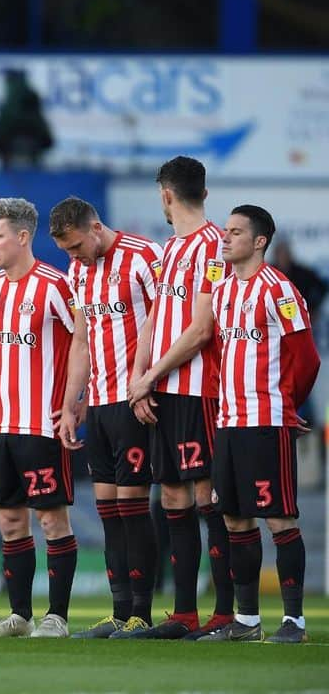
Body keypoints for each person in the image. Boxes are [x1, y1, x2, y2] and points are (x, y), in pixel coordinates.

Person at [127, 157, 235, 639]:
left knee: (207, 496)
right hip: (162, 391)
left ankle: (228, 612)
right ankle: (185, 612)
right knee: (170, 495)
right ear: (203, 193)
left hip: (198, 391)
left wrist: (151, 375)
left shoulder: (214, 246)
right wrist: (139, 380)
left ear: (166, 195)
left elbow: (202, 328)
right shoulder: (168, 250)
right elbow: (152, 319)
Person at [201, 205, 320, 644]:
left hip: (267, 422)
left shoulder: (279, 291)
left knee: (280, 520)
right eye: (225, 231)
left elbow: (306, 357)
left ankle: (294, 622)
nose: (225, 238)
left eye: (235, 232)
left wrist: (288, 404)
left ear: (259, 242)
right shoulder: (224, 291)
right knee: (234, 520)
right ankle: (247, 621)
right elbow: (217, 354)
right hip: (228, 424)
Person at [50, 197, 163, 638]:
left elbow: (164, 320)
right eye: (66, 251)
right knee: (109, 509)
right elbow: (80, 340)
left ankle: (143, 612)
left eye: (77, 246)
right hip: (97, 403)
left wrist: (146, 379)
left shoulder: (143, 257)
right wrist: (70, 401)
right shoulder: (79, 272)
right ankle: (118, 612)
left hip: (133, 399)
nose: (73, 257)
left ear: (95, 227)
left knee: (134, 507)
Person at [0, 197, 76, 638]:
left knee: (52, 519)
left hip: (43, 426)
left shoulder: (55, 285)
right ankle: (20, 615)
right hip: (2, 428)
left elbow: (86, 343)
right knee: (10, 520)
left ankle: (57, 615)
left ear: (22, 237)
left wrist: (78, 402)